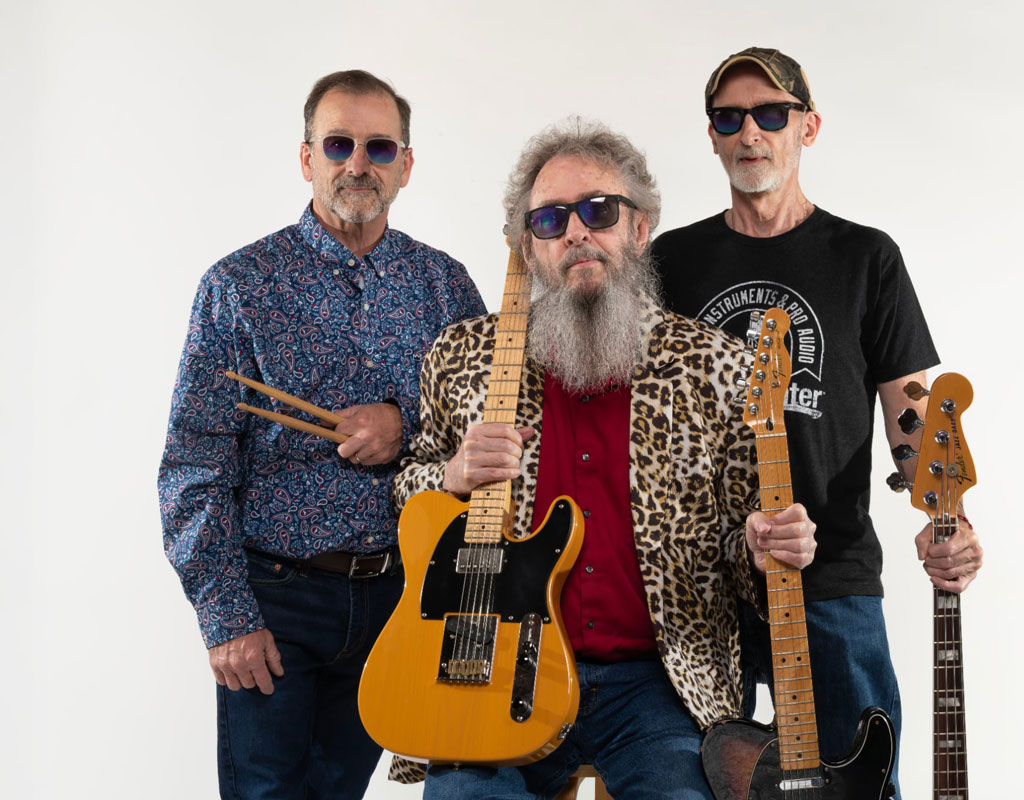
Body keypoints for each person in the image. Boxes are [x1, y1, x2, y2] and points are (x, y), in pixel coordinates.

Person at [384, 118, 816, 798]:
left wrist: (762, 549)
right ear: (529, 248)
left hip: (656, 684)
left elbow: (741, 539)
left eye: (599, 210)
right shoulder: (461, 359)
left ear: (638, 229)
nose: (577, 232)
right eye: (551, 220)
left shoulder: (717, 369)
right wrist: (451, 477)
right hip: (494, 669)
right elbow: (407, 492)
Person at [652, 47, 985, 798]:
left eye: (772, 114)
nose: (751, 133)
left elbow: (911, 414)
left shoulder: (866, 258)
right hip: (704, 582)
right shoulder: (673, 260)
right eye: (729, 118)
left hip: (830, 574)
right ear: (710, 136)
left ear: (809, 126)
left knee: (863, 782)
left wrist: (947, 519)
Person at [158, 69, 485, 799]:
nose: (357, 163)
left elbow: (490, 430)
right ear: (307, 158)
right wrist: (225, 617)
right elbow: (193, 464)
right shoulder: (239, 284)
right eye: (338, 143)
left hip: (400, 598)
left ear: (405, 164)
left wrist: (404, 422)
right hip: (276, 597)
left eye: (378, 146)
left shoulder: (445, 284)